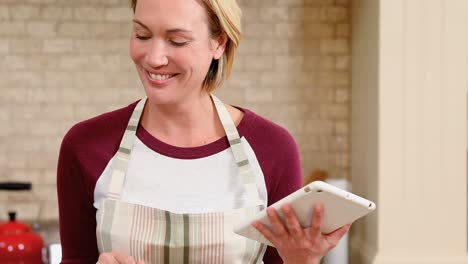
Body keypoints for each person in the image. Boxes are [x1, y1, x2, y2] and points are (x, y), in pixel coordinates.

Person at [56, 0, 351, 263]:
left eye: (178, 41)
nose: (154, 58)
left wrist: (302, 261)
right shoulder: (85, 146)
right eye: (142, 35)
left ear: (218, 44)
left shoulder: (272, 148)